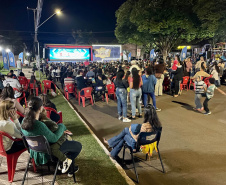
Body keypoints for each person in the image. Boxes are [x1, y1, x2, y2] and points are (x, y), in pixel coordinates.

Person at [21, 97, 79, 176]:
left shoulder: (23, 122)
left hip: (34, 151)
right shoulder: (39, 125)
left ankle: (66, 165)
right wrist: (61, 126)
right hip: (47, 152)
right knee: (77, 146)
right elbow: (54, 138)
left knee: (66, 141)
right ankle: (67, 165)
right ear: (41, 108)